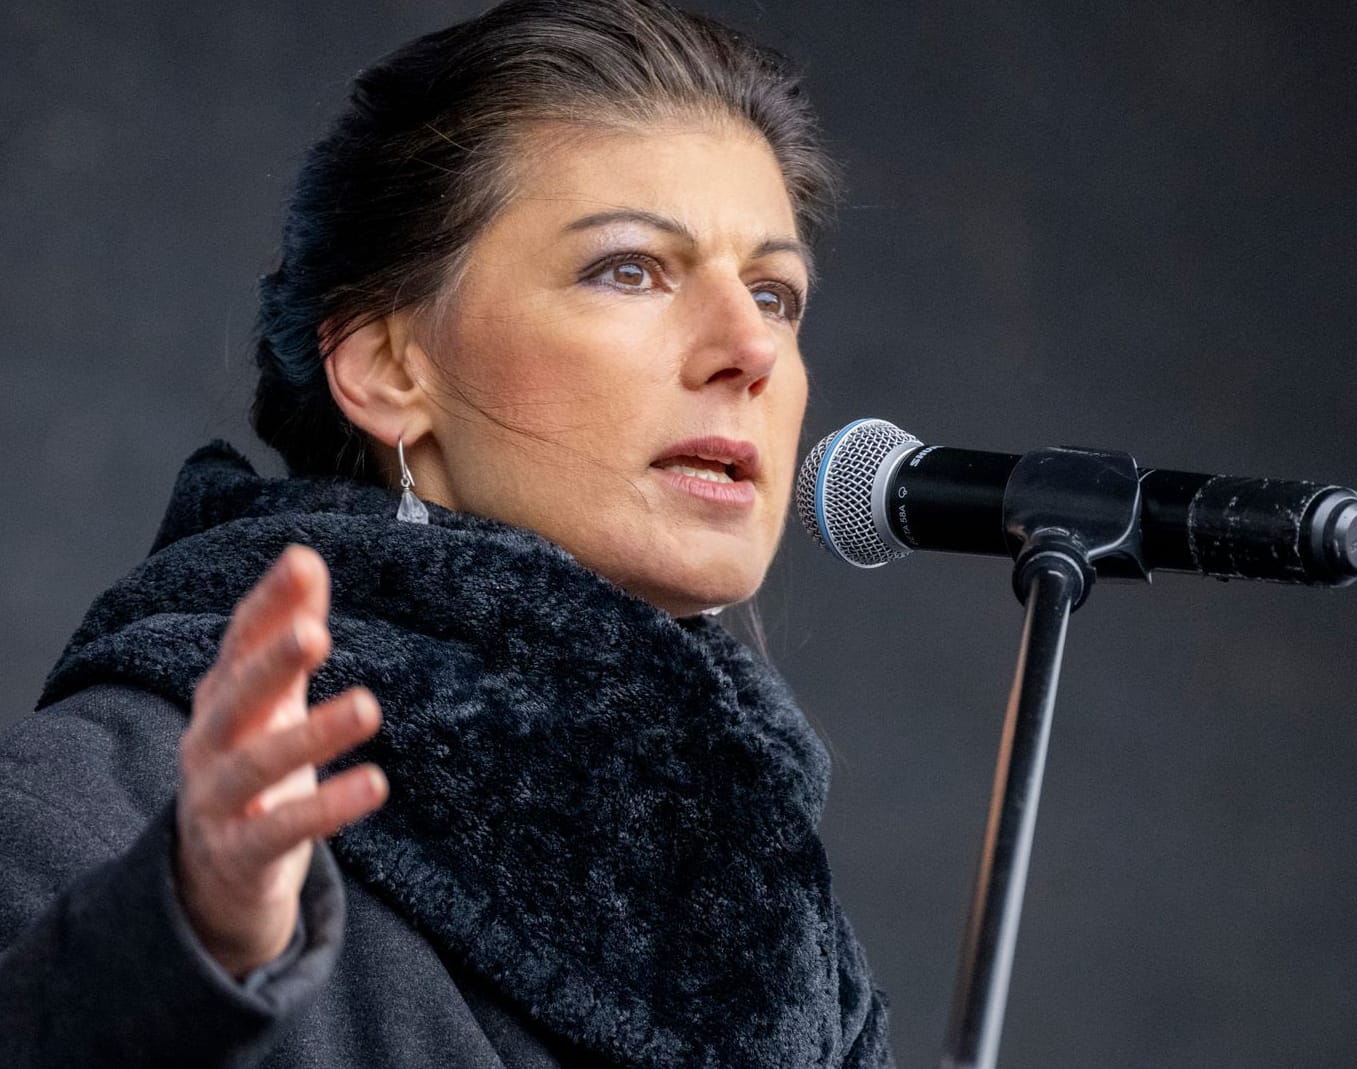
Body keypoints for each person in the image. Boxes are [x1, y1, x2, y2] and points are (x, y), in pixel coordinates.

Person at [0, 1, 892, 1065]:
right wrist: (183, 940)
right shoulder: (127, 798)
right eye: (629, 269)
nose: (749, 346)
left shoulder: (787, 929)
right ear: (387, 367)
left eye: (774, 292)